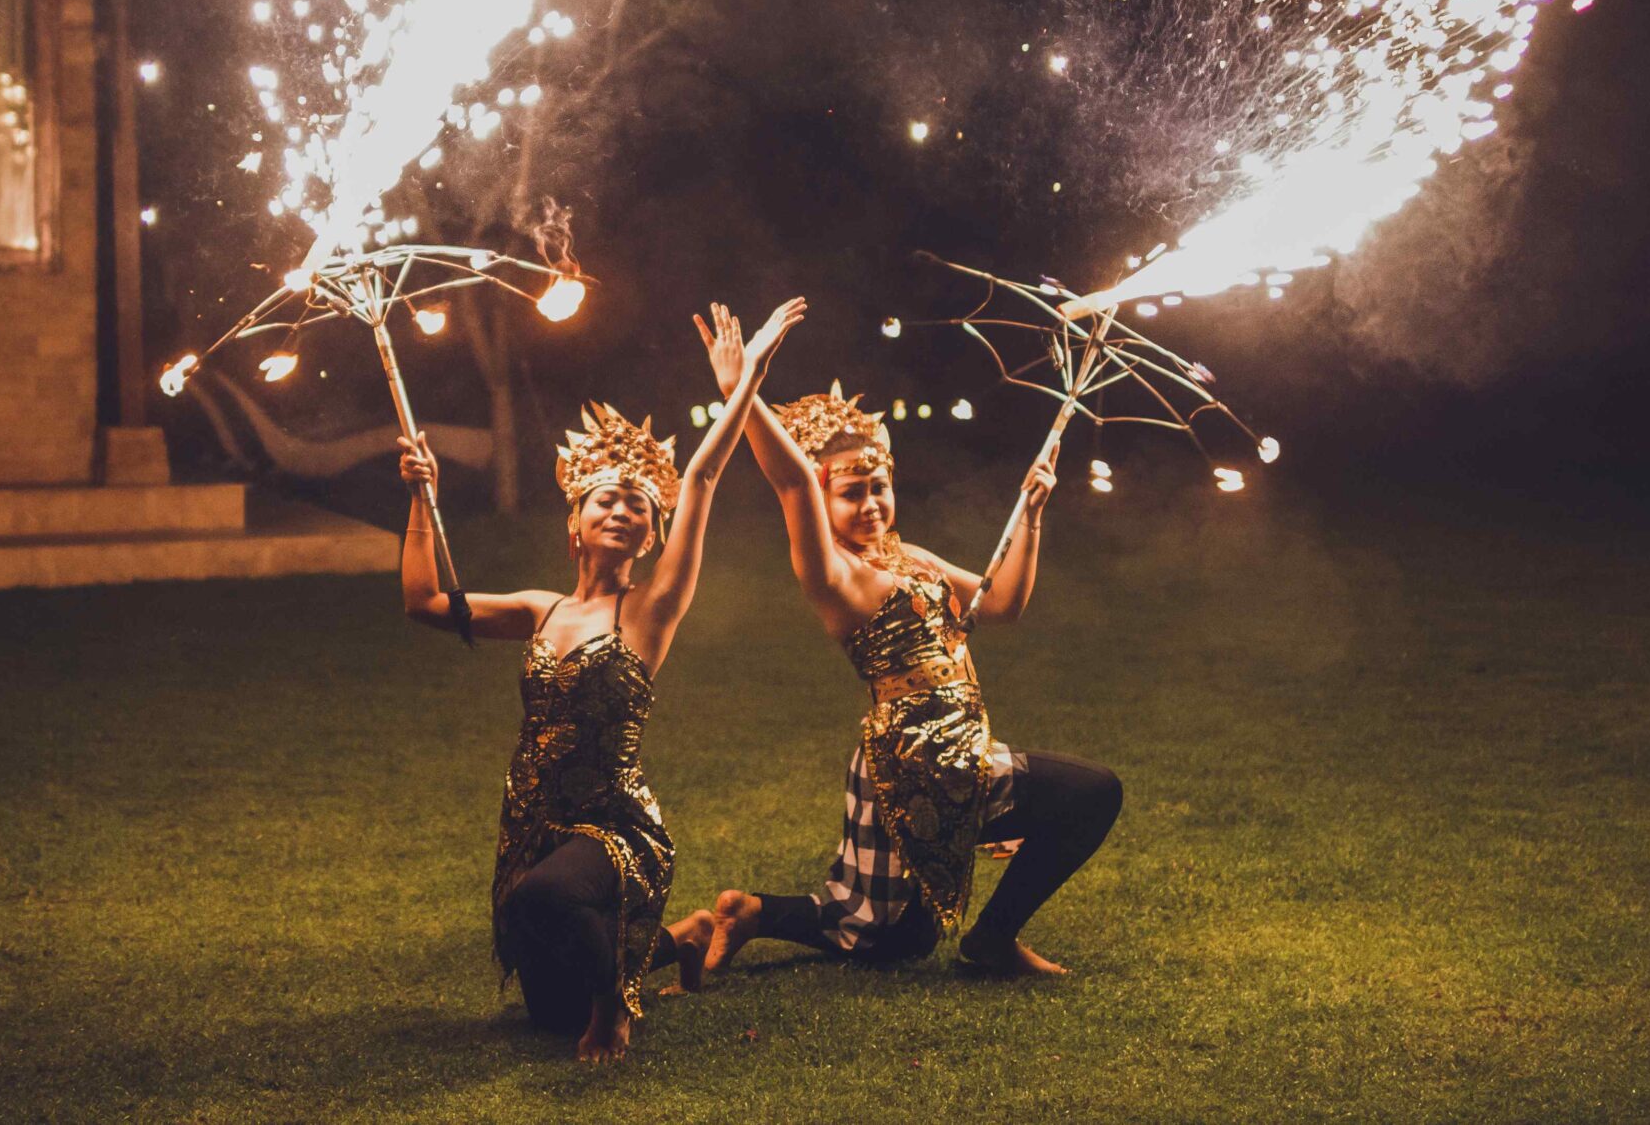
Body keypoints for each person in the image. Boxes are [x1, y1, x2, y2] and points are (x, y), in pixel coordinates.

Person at [399, 298, 806, 1062]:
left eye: (639, 505)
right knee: (546, 1003)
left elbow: (706, 473)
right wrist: (421, 496)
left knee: (547, 901)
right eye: (606, 498)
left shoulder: (650, 609)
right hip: (534, 821)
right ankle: (680, 936)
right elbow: (423, 600)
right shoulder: (537, 606)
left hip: (615, 826)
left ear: (652, 533)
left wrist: (745, 378)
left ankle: (617, 1009)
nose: (623, 509)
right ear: (575, 521)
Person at [675, 376, 1122, 979]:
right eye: (851, 494)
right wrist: (742, 388)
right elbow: (791, 480)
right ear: (824, 502)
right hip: (919, 759)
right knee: (1092, 792)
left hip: (929, 752)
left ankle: (748, 912)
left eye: (879, 488)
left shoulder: (912, 558)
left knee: (889, 935)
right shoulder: (835, 576)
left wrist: (1033, 513)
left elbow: (1002, 604)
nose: (871, 506)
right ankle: (992, 939)